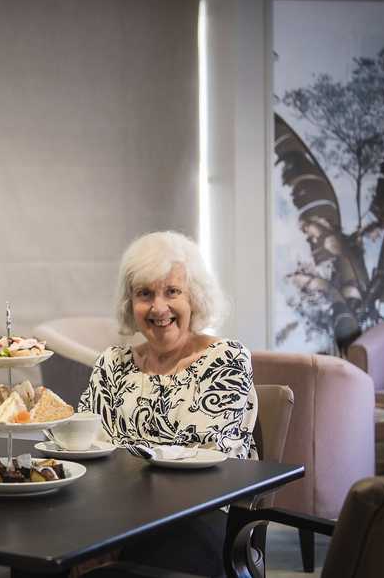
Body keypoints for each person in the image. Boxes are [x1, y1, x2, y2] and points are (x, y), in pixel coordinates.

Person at [78, 230, 257, 577]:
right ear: (130, 304)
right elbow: (87, 449)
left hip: (200, 517)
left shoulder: (225, 359)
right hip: (112, 515)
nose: (159, 308)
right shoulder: (111, 363)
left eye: (172, 291)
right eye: (145, 294)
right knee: (35, 560)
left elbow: (206, 464)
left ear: (195, 297)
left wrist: (112, 538)